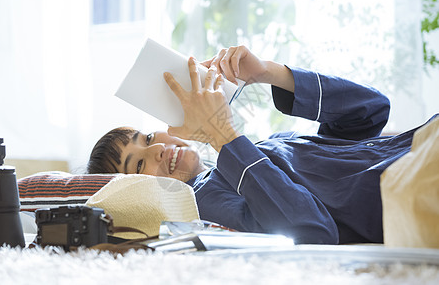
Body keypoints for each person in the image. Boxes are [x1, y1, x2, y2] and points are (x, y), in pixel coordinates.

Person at [87, 46, 435, 245]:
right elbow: (313, 232)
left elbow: (371, 113)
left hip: (419, 144)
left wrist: (269, 74)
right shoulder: (205, 206)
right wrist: (221, 134)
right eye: (137, 165)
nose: (156, 150)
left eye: (147, 139)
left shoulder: (259, 151)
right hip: (409, 184)